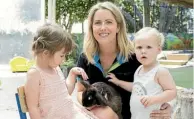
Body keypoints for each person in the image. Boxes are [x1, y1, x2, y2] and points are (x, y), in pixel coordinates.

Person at [76, 1, 173, 119]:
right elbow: (79, 91)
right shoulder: (85, 58)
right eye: (97, 23)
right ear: (91, 27)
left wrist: (166, 107)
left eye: (109, 22)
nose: (103, 27)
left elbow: (160, 86)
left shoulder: (135, 57)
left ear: (118, 27)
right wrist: (94, 105)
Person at [24, 23, 101, 119]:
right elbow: (33, 107)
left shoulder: (56, 69)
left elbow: (65, 92)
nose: (63, 59)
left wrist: (72, 74)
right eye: (61, 55)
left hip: (71, 114)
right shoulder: (35, 74)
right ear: (46, 53)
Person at [108, 27, 177, 119]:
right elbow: (136, 87)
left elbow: (172, 91)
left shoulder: (160, 71)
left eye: (149, 47)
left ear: (159, 50)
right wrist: (118, 82)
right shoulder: (139, 69)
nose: (143, 51)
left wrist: (154, 99)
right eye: (139, 47)